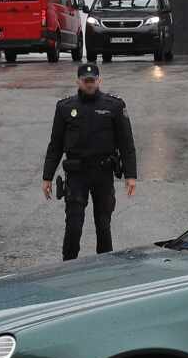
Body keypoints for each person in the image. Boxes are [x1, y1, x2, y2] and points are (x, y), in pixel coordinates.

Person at [42, 63, 138, 260]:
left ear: (99, 81)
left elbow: (126, 143)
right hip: (77, 175)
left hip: (103, 173)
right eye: (85, 81)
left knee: (103, 225)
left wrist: (130, 175)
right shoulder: (65, 108)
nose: (89, 84)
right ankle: (68, 267)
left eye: (92, 81)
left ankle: (105, 268)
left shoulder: (114, 106)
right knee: (74, 226)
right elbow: (55, 145)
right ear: (78, 82)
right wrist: (47, 177)